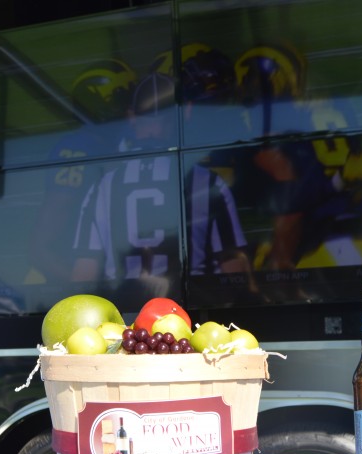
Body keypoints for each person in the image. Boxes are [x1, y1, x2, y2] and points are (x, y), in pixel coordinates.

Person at [70, 72, 249, 309]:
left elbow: (85, 274)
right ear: (184, 113)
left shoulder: (103, 186)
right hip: (191, 312)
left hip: (126, 315)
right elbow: (233, 270)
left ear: (132, 118)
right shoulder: (206, 182)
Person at [231, 43, 362, 271]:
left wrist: (277, 254)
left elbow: (293, 203)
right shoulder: (334, 107)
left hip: (321, 247)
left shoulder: (275, 131)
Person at [25, 59, 137, 286]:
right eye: (126, 100)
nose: (133, 110)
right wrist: (89, 288)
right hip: (63, 285)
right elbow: (42, 247)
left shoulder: (116, 146)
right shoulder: (81, 149)